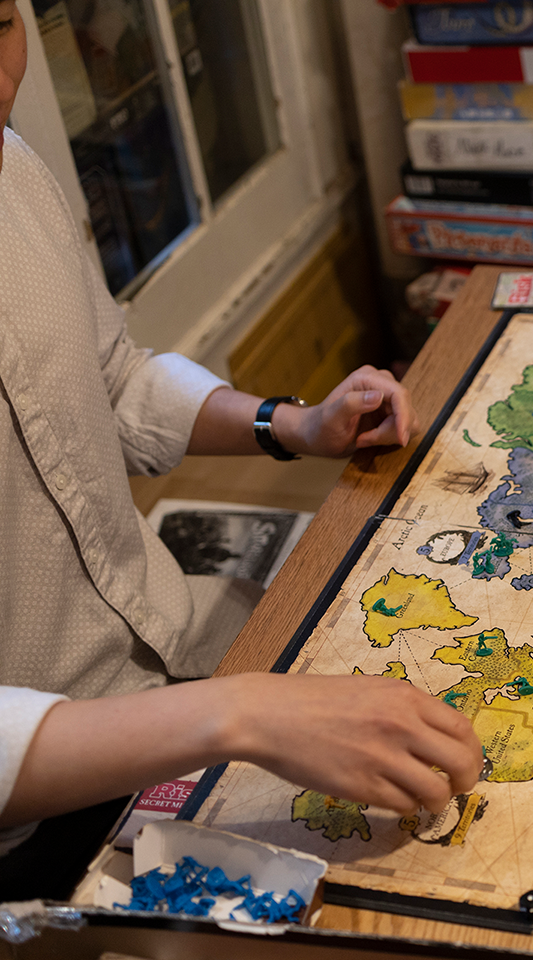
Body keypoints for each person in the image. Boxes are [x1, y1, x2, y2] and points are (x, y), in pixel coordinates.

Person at [0, 0, 484, 890]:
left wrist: (290, 423)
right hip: (34, 833)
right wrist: (244, 715)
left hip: (184, 652)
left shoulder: (14, 164)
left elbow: (110, 375)